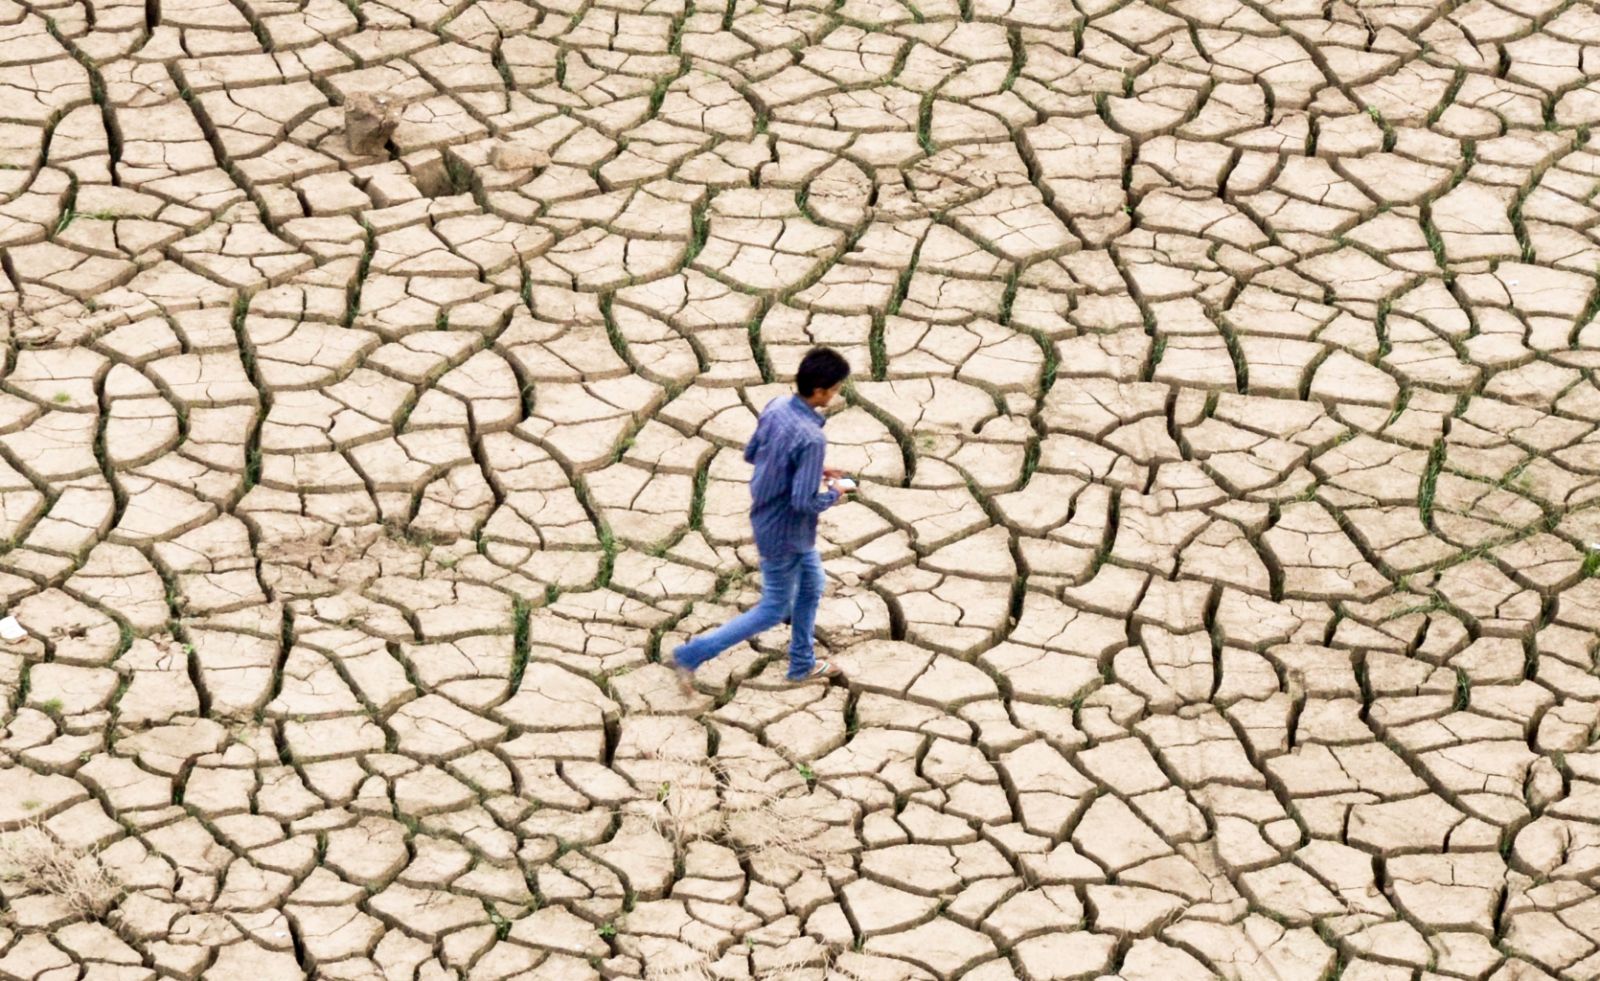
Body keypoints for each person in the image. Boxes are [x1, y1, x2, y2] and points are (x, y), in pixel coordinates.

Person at [672, 347, 855, 691]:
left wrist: (813, 469)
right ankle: (691, 654)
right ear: (820, 391)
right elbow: (803, 502)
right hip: (786, 533)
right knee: (773, 608)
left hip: (768, 518)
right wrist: (834, 493)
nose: (836, 393)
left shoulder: (777, 407)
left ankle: (801, 662)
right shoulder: (812, 438)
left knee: (812, 584)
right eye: (835, 388)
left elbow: (753, 453)